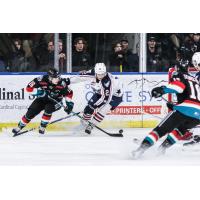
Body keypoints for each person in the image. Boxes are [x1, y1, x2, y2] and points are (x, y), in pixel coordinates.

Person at [132, 58, 200, 159]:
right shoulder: (195, 80)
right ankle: (162, 149)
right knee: (179, 131)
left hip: (184, 110)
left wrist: (162, 90)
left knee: (159, 131)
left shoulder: (179, 74)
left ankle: (140, 150)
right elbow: (193, 98)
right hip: (197, 115)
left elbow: (179, 87)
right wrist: (174, 105)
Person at [12, 68, 74, 135]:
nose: (58, 79)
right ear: (50, 78)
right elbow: (28, 88)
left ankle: (42, 126)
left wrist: (69, 104)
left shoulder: (62, 83)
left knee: (48, 109)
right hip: (42, 99)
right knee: (30, 113)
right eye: (55, 78)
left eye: (58, 77)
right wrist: (39, 92)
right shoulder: (41, 79)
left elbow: (69, 93)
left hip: (56, 101)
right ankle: (19, 127)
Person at [70, 63, 123, 134]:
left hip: (115, 96)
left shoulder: (108, 82)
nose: (100, 76)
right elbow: (80, 77)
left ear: (105, 72)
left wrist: (95, 106)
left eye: (102, 74)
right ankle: (84, 124)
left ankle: (91, 125)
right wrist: (67, 81)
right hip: (101, 92)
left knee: (103, 110)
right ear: (95, 72)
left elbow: (106, 99)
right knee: (89, 107)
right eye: (99, 74)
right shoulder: (92, 72)